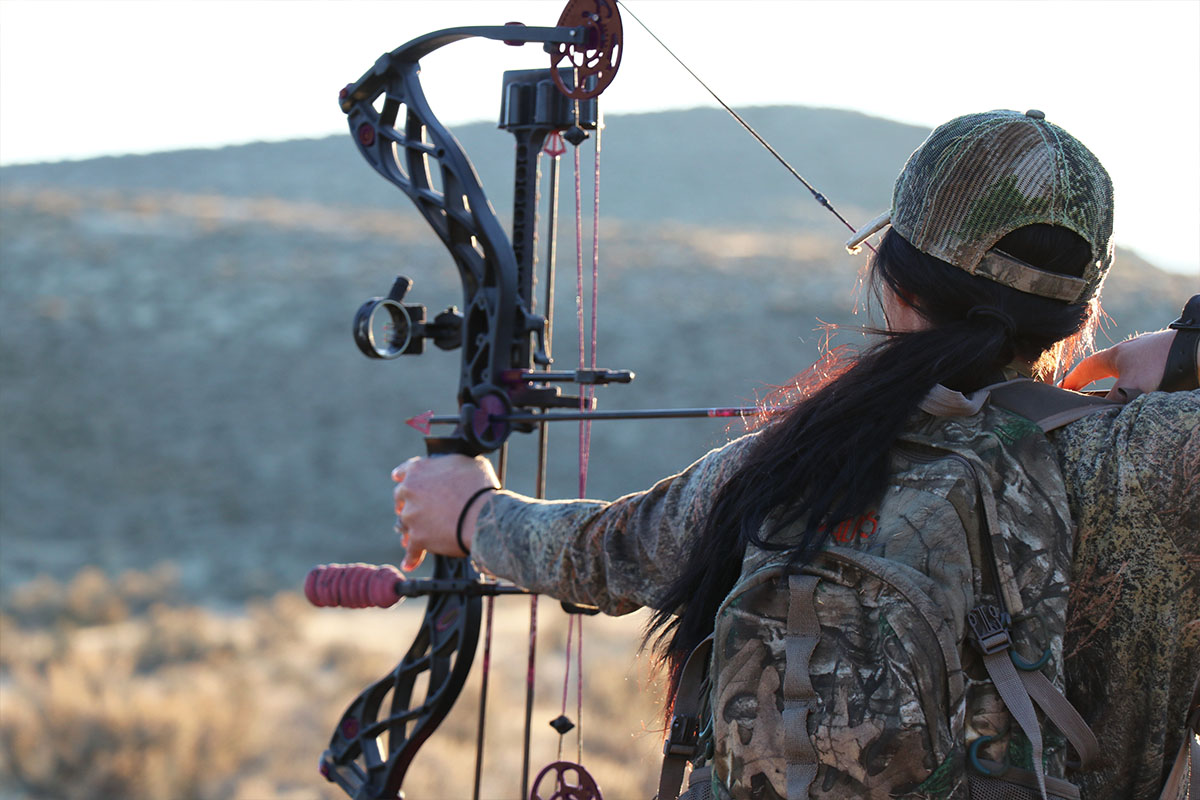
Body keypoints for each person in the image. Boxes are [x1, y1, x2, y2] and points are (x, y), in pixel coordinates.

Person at [391, 110, 1199, 799]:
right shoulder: (1155, 457)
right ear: (1083, 312)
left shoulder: (800, 459)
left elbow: (600, 554)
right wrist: (1186, 347)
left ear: (895, 285)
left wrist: (467, 511)